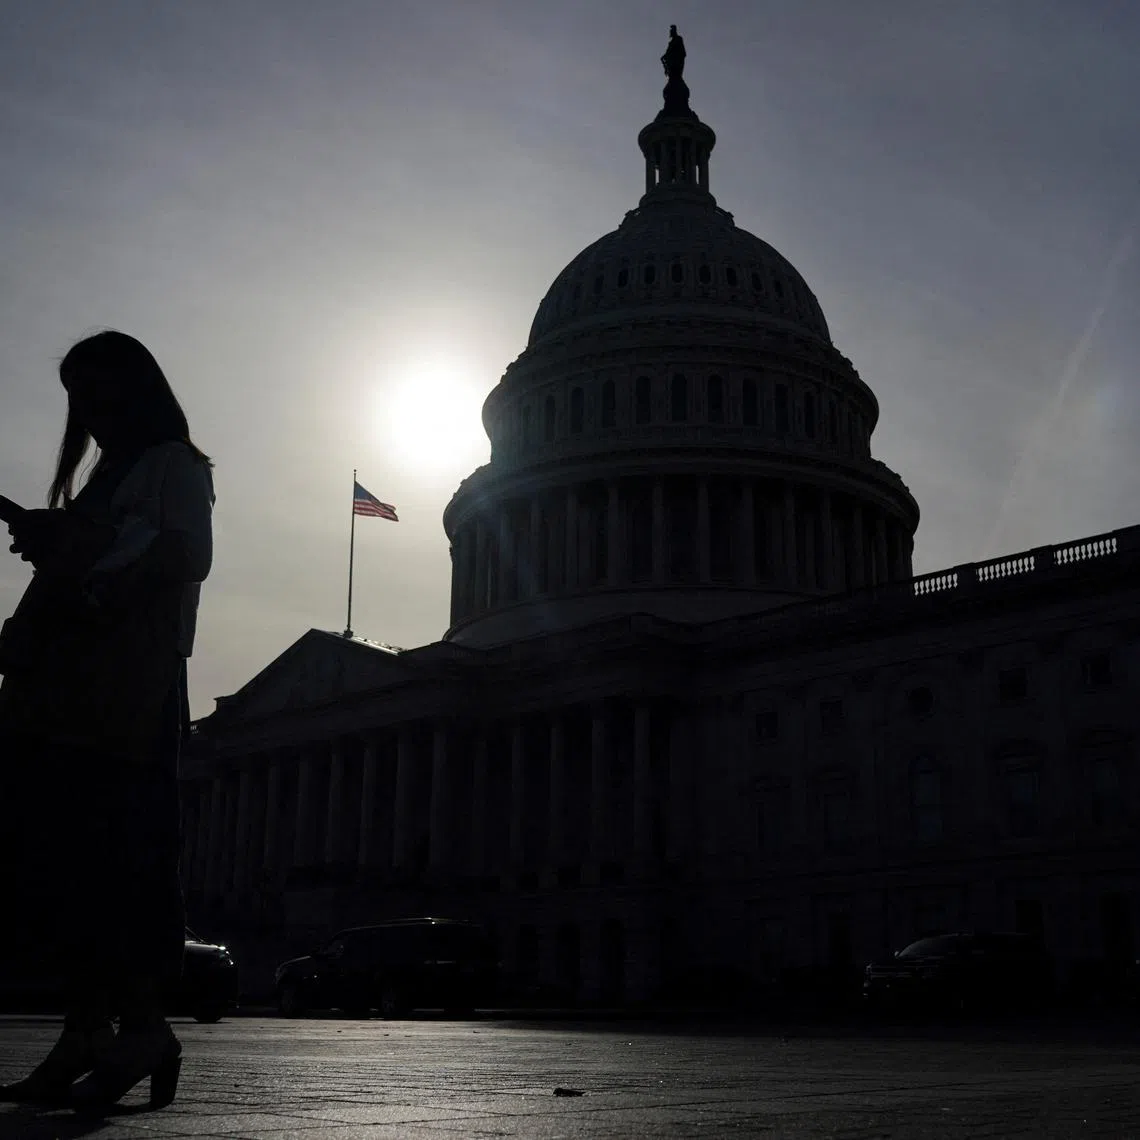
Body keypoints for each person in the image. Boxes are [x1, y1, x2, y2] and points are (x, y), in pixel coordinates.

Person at [0, 330, 214, 1111]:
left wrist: (88, 571)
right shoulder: (105, 476)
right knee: (70, 865)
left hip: (125, 691)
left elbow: (184, 555)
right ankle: (87, 1029)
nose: (86, 410)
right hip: (70, 690)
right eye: (75, 396)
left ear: (134, 388)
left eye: (97, 391)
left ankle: (145, 1029)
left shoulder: (175, 466)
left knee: (117, 861)